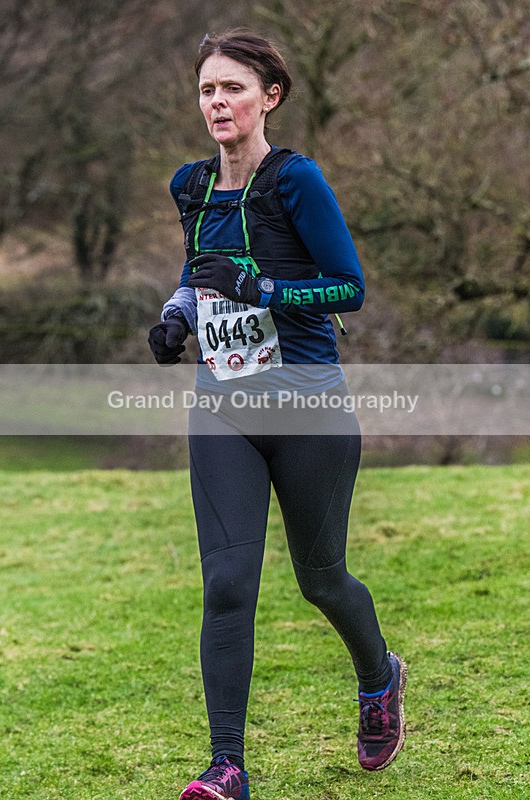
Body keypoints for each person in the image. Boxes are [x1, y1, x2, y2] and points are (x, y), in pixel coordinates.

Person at [148, 29, 407, 800]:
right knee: (228, 582)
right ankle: (227, 765)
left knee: (321, 580)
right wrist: (175, 316)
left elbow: (347, 288)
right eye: (206, 90)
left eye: (232, 88)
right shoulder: (190, 186)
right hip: (223, 406)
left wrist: (263, 291)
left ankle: (379, 674)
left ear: (270, 97)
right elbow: (199, 273)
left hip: (308, 407)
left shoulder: (297, 182)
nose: (217, 102)